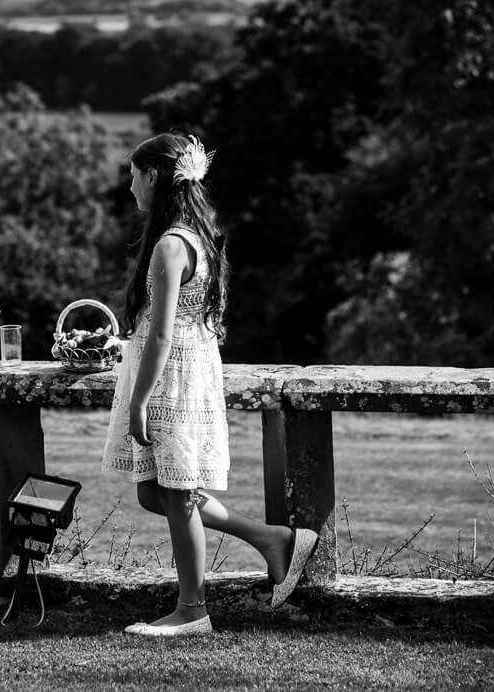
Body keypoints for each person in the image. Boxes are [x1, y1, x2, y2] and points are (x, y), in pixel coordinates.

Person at [101, 133, 318, 636]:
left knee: (175, 496)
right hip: (190, 368)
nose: (130, 185)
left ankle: (192, 610)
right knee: (156, 495)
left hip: (171, 380)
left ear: (154, 176)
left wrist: (138, 402)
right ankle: (273, 541)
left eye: (134, 175)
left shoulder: (170, 244)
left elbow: (160, 332)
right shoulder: (199, 234)